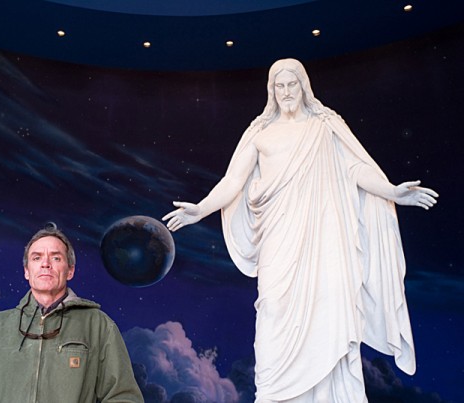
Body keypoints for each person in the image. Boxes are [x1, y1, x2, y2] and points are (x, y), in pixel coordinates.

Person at [162, 58, 438, 403]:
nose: (286, 92)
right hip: (279, 240)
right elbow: (234, 179)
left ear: (304, 86)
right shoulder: (260, 132)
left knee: (329, 314)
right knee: (273, 311)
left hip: (325, 241)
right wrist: (202, 208)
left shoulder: (325, 126)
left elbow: (355, 169)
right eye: (279, 86)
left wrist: (392, 191)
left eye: (292, 84)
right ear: (271, 91)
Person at [0, 223, 144, 403]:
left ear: (70, 271)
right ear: (27, 271)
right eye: (37, 257)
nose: (46, 264)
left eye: (56, 258)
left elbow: (124, 397)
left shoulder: (99, 326)